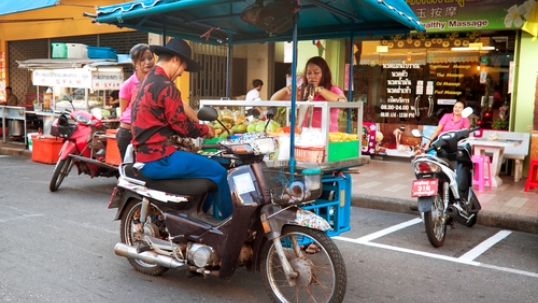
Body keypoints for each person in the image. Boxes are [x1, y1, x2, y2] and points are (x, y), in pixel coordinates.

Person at [130, 38, 232, 219]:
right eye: (183, 67)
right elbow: (181, 126)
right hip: (161, 159)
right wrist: (205, 130)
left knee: (209, 167)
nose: (181, 73)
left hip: (144, 157)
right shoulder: (166, 86)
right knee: (219, 171)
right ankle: (233, 229)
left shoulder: (142, 84)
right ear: (176, 60)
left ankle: (200, 220)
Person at [271, 56, 347, 132]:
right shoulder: (303, 91)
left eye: (316, 73)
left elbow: (344, 104)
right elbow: (273, 100)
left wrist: (320, 90)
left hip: (328, 137)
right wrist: (285, 89)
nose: (312, 76)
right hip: (306, 136)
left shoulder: (332, 89)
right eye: (309, 73)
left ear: (324, 74)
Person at [116, 43, 156, 161]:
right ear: (134, 63)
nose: (148, 62)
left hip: (149, 134)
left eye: (150, 58)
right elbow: (123, 113)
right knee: (130, 172)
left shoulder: (158, 82)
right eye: (142, 59)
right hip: (128, 134)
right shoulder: (127, 85)